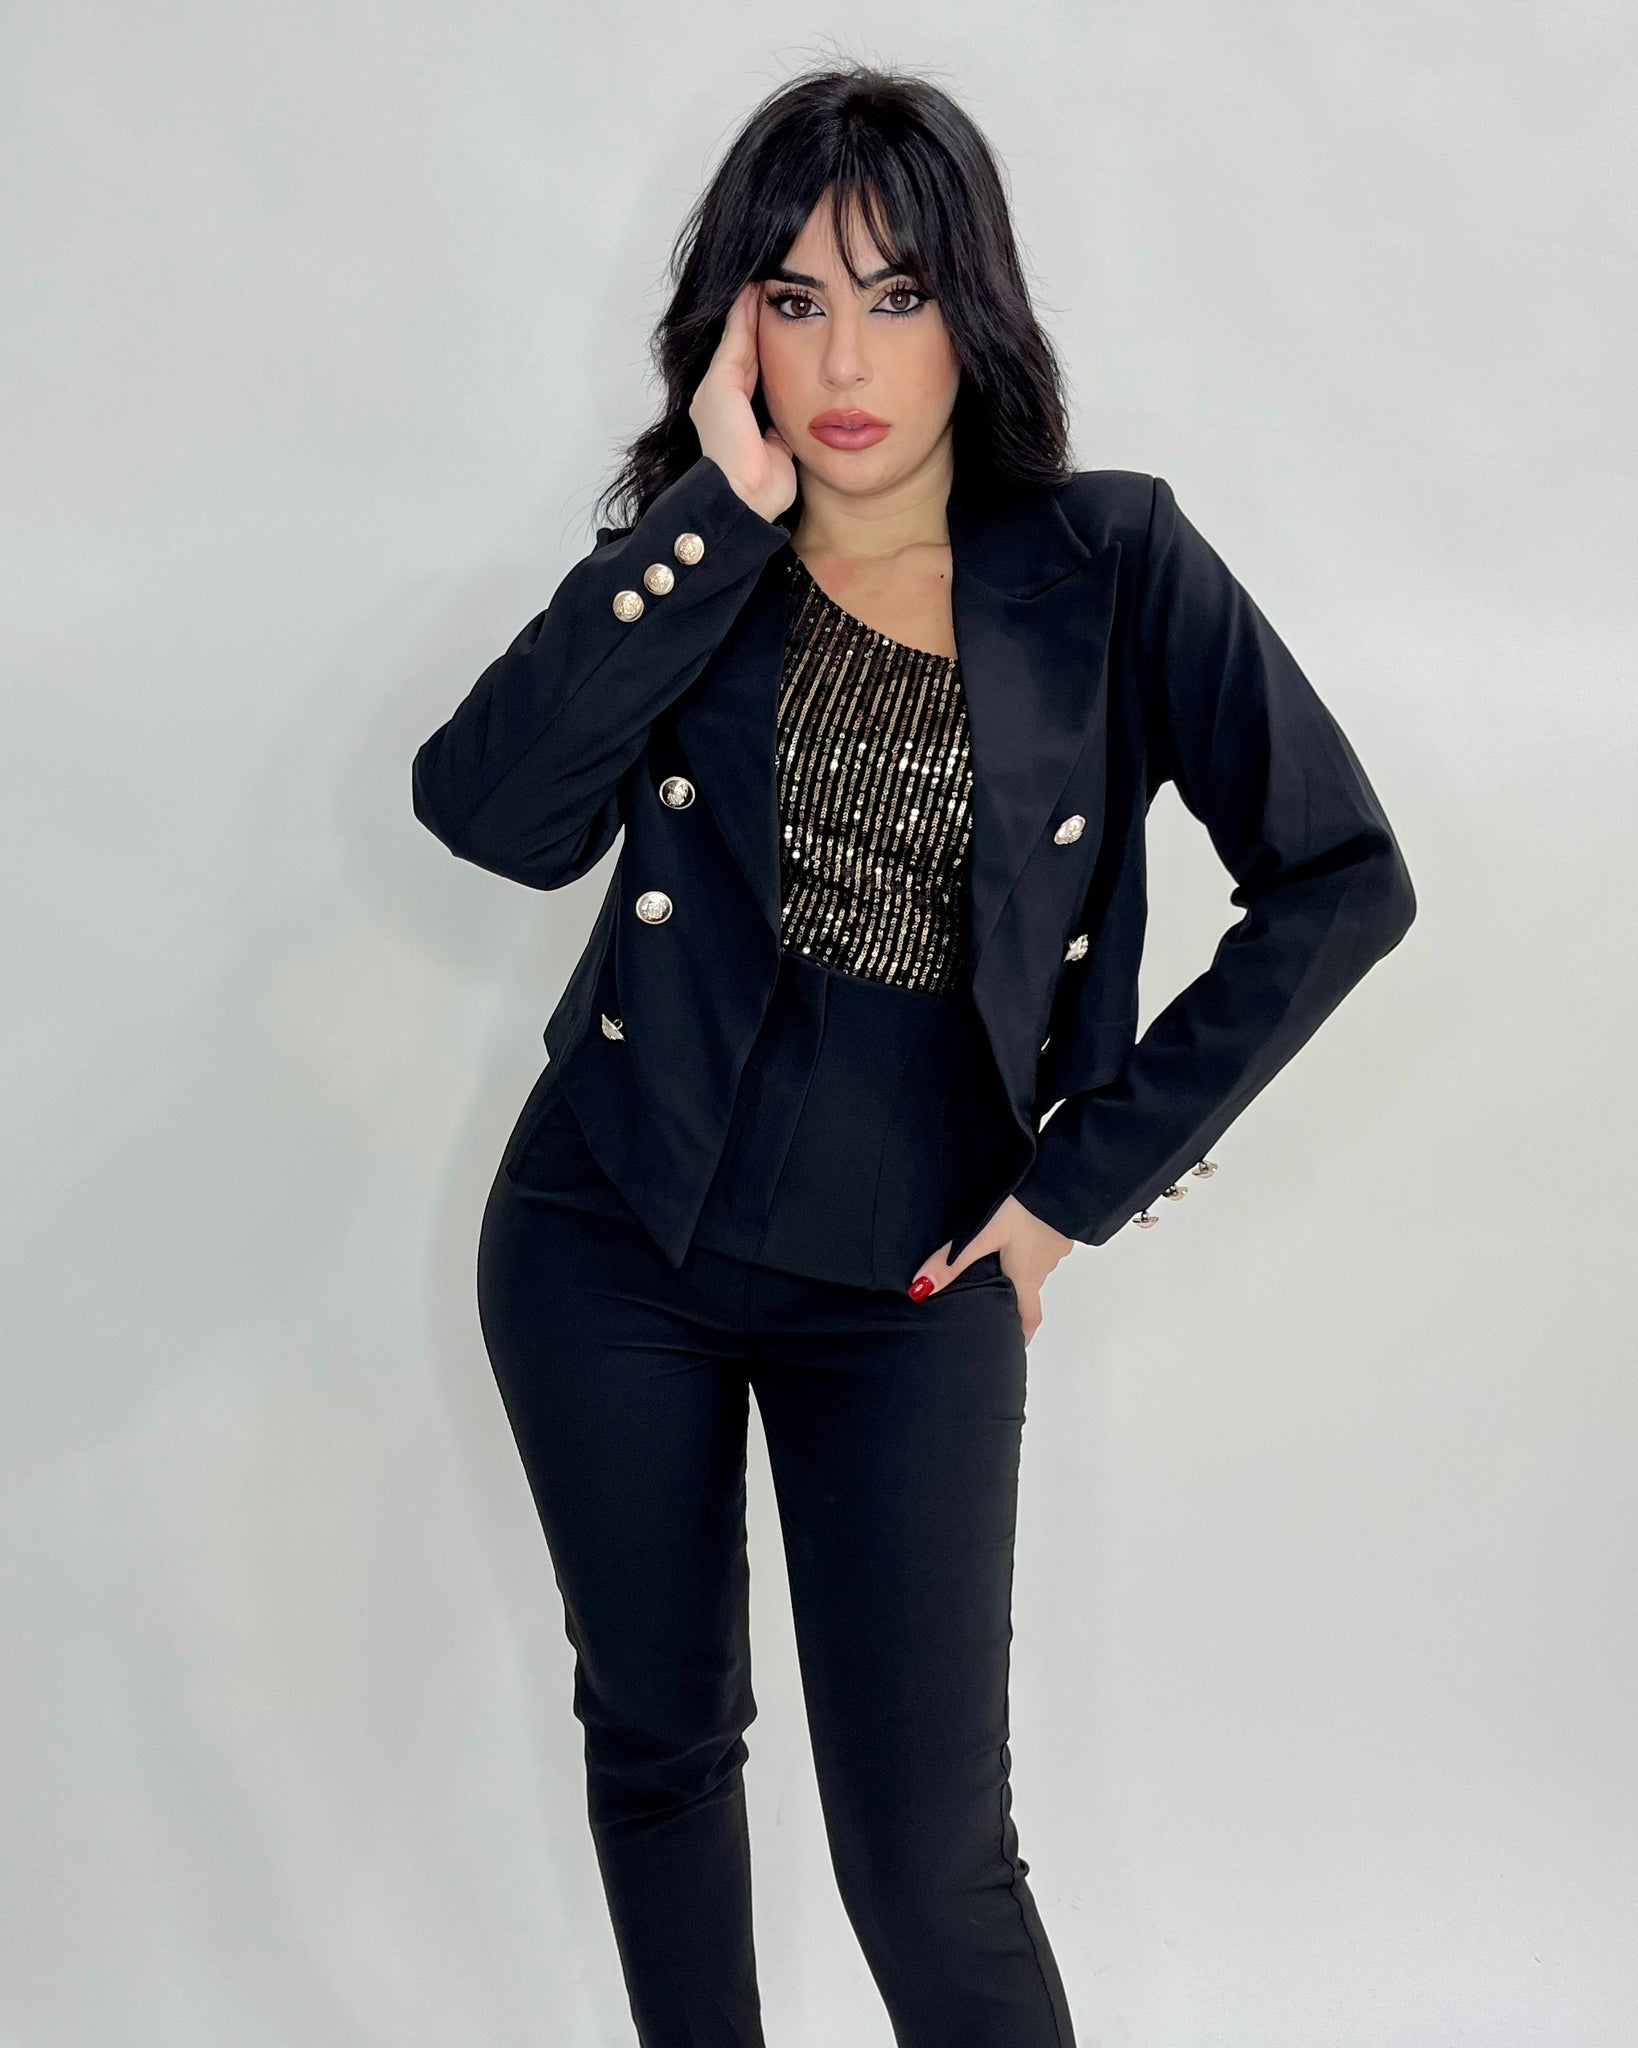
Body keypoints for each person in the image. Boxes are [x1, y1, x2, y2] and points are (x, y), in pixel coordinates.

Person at [410, 62, 1416, 2048]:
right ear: (733, 331)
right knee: (661, 1747)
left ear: (979, 311)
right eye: (795, 301)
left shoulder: (1110, 564)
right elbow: (491, 813)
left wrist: (1071, 1192)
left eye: (898, 294)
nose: (848, 360)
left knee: (930, 1860)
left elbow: (1338, 877)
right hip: (608, 1233)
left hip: (916, 1277)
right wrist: (712, 514)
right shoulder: (699, 564)